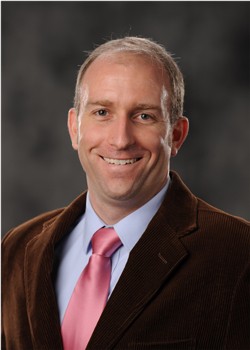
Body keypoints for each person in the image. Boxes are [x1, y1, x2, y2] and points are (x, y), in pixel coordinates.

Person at [2, 36, 249, 350]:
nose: (120, 140)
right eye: (102, 112)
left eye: (144, 116)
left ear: (176, 135)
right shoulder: (18, 248)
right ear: (74, 128)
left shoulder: (238, 254)